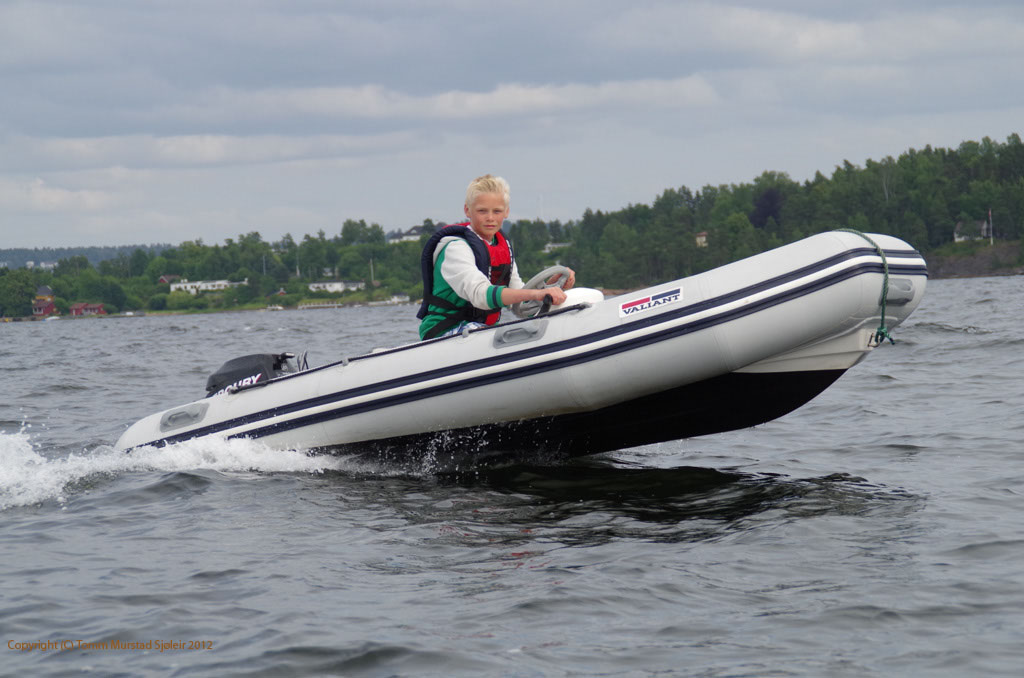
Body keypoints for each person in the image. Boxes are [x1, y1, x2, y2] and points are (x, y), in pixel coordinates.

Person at [417, 174, 575, 340]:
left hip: (478, 329)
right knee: (484, 333)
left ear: (506, 212)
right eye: (482, 211)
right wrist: (535, 294)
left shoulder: (502, 248)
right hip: (442, 331)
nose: (490, 218)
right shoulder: (455, 248)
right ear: (467, 210)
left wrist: (549, 288)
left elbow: (521, 305)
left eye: (497, 211)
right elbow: (480, 295)